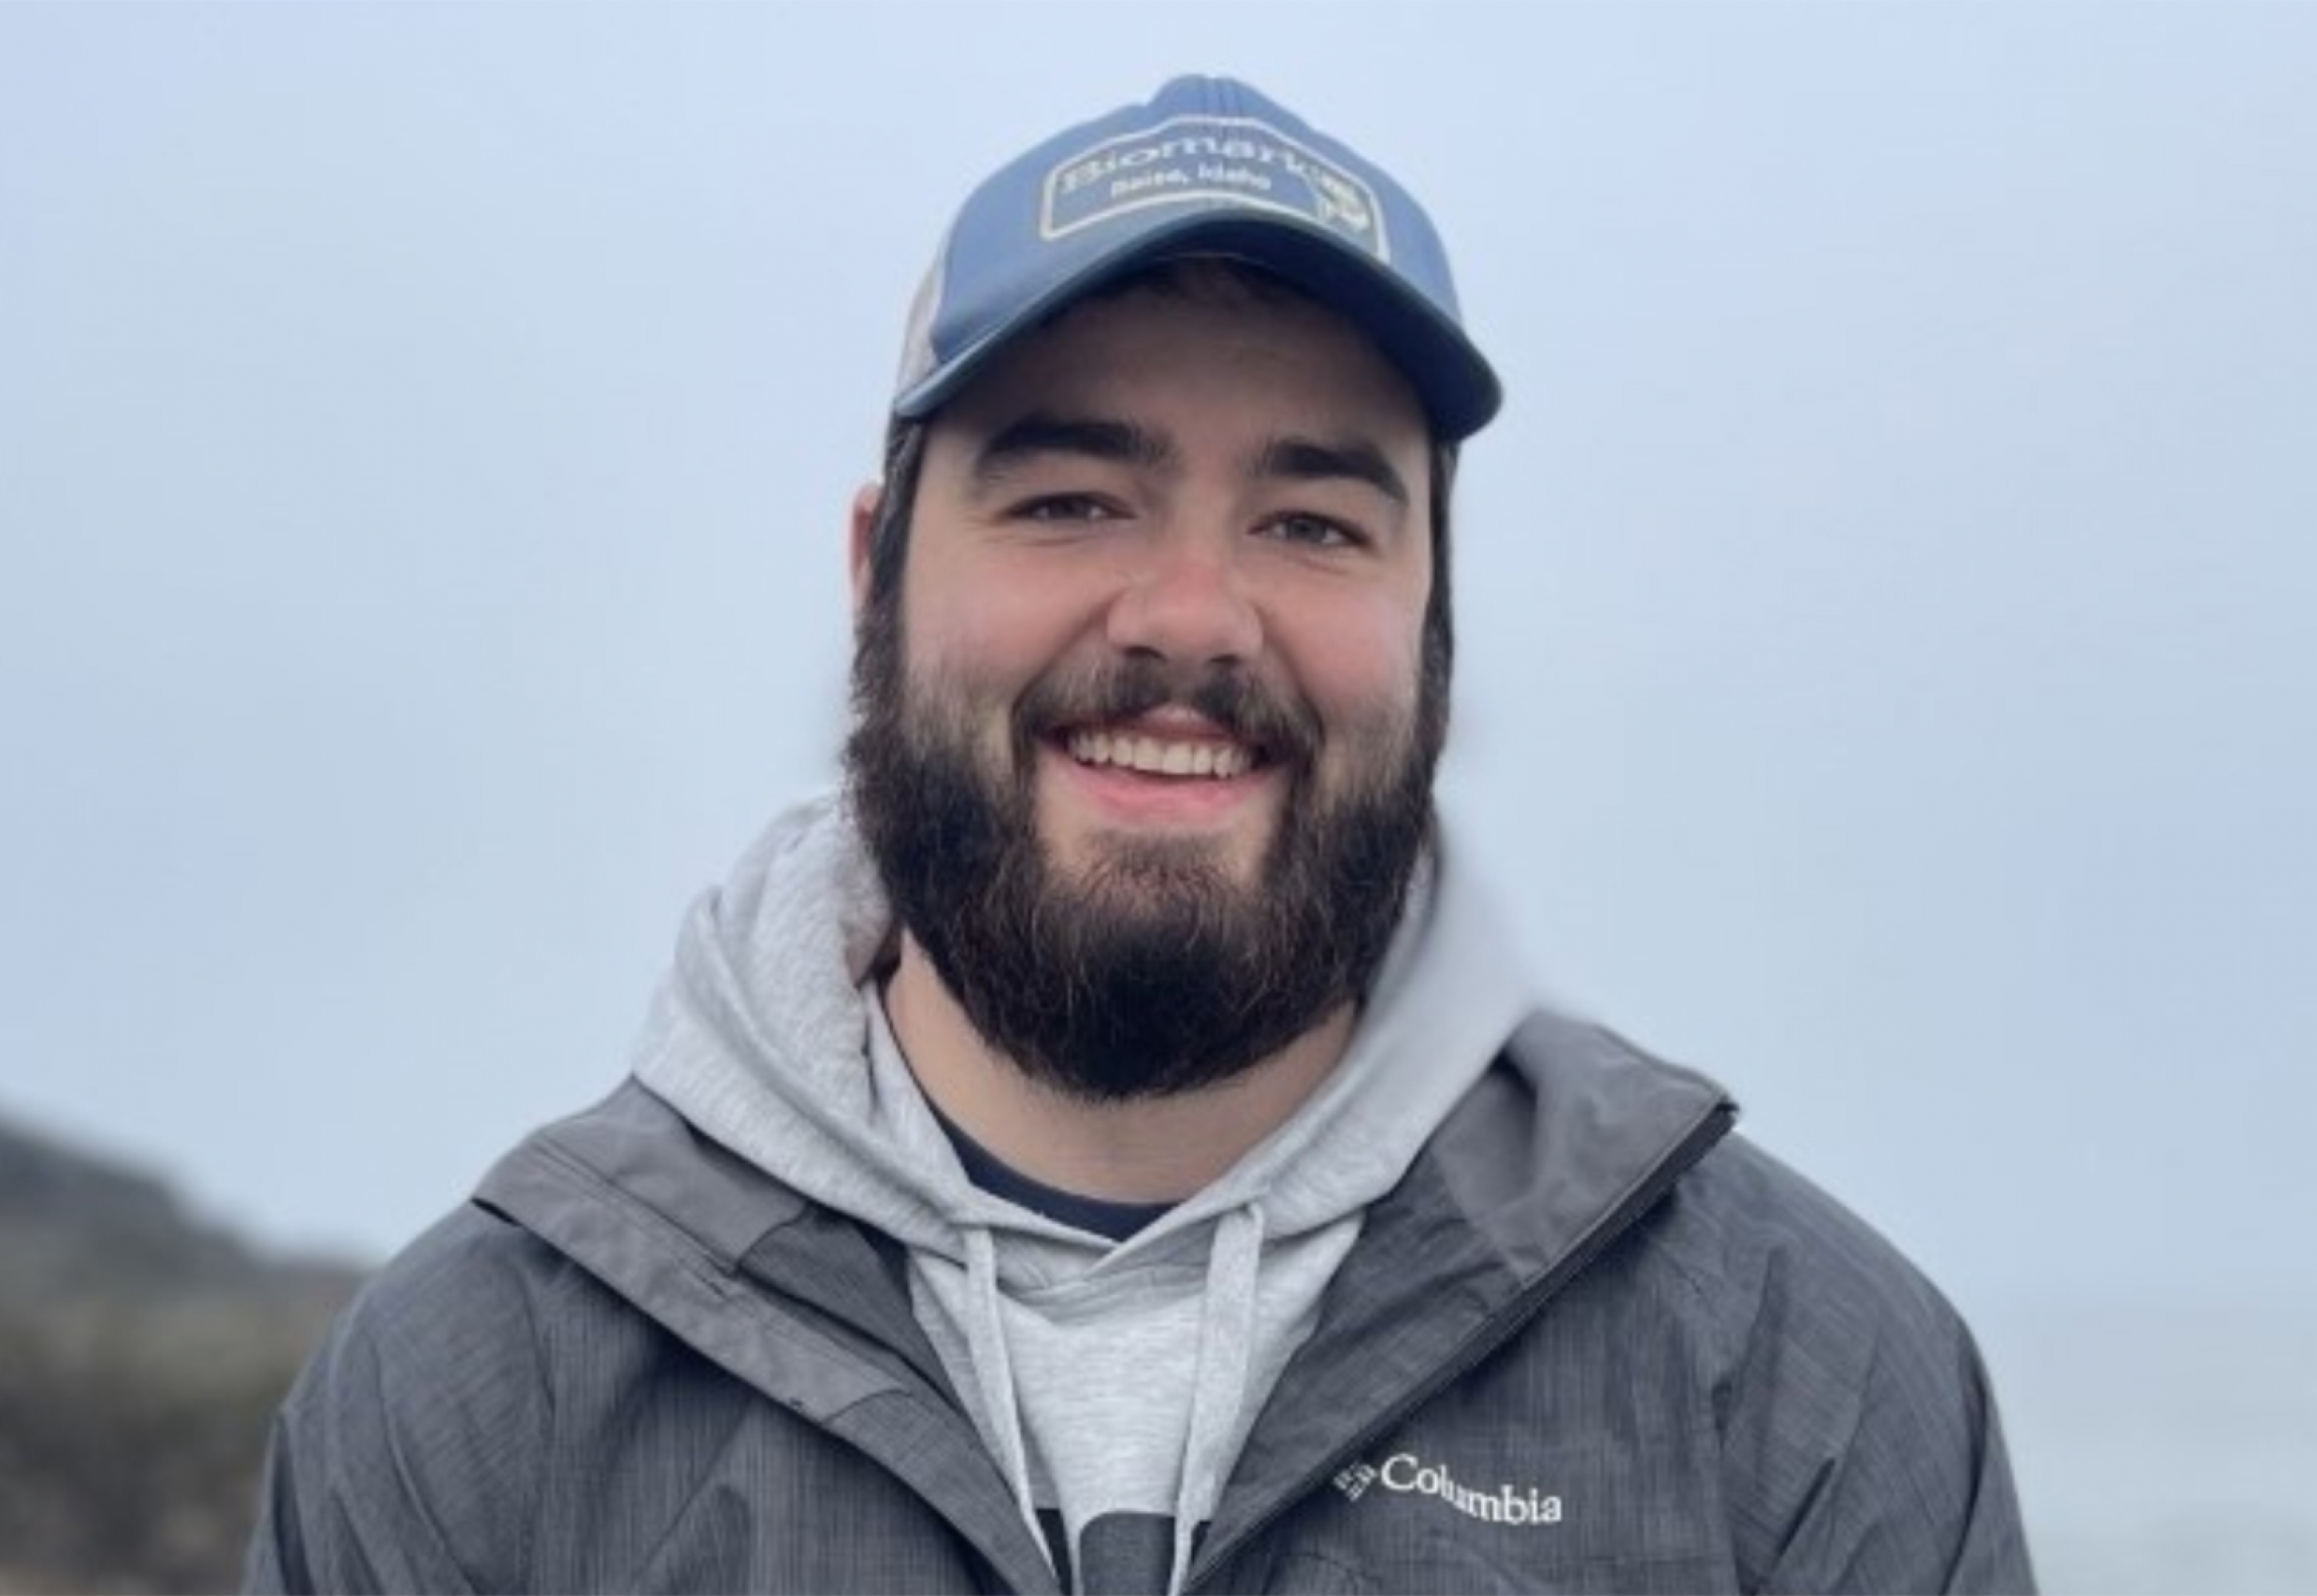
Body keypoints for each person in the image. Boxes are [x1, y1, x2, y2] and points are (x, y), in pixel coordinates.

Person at [247, 75, 2033, 1595]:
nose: (1193, 618)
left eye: (1316, 523)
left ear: (1435, 619)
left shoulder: (1805, 1379)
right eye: (1072, 498)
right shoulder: (473, 1397)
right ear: (873, 574)